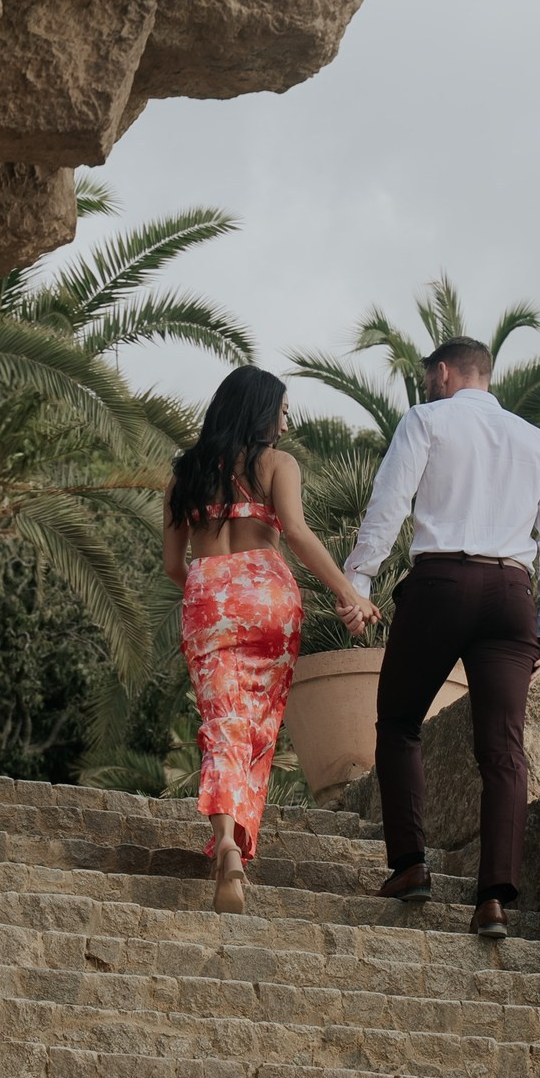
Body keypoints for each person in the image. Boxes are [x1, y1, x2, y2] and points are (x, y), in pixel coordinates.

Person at [343, 337, 540, 940]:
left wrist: (359, 578)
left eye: (429, 379)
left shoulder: (427, 418)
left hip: (441, 583)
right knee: (503, 751)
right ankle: (493, 900)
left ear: (443, 373)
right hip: (510, 598)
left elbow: (389, 501)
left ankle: (411, 865)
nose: (427, 388)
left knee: (398, 722)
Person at [164, 366, 377, 914]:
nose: (285, 423)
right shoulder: (278, 464)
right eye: (282, 410)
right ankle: (236, 840)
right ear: (261, 411)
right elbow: (299, 534)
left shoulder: (185, 470)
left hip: (208, 591)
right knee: (256, 725)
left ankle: (227, 845)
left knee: (221, 724)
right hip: (269, 594)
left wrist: (209, 590)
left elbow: (172, 564)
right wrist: (349, 594)